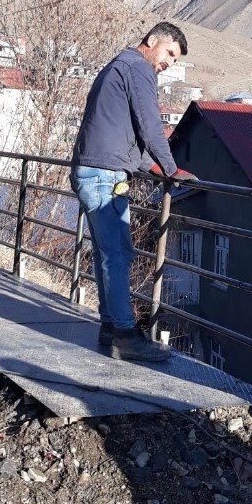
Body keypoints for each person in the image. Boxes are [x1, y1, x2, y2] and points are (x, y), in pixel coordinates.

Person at [70, 21, 197, 362]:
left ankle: (111, 326)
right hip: (103, 176)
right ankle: (125, 336)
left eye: (176, 59)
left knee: (107, 253)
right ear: (152, 41)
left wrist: (151, 168)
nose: (170, 62)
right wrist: (170, 170)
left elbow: (126, 134)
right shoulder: (138, 68)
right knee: (118, 255)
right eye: (170, 52)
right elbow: (150, 125)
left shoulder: (118, 66)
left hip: (96, 171)